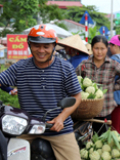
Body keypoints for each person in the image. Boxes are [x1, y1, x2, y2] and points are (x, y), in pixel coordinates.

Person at [0, 24, 82, 160]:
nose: (41, 50)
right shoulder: (20, 67)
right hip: (27, 127)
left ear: (53, 47)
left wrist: (61, 118)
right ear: (30, 45)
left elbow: (77, 96)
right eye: (36, 45)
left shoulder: (65, 68)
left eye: (46, 46)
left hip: (57, 128)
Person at [76, 35, 120, 135]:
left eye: (102, 48)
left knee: (106, 134)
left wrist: (113, 88)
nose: (99, 52)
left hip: (106, 110)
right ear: (92, 48)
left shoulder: (112, 64)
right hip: (87, 109)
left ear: (106, 49)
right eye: (96, 48)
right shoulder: (84, 64)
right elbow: (74, 79)